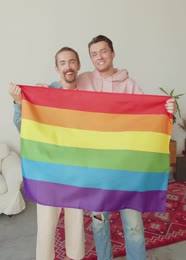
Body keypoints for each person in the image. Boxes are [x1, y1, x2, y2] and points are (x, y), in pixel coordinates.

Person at [77, 34, 176, 260]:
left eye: (103, 51)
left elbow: (147, 116)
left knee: (133, 227)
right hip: (97, 171)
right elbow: (63, 95)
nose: (99, 57)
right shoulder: (83, 81)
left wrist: (167, 109)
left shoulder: (130, 84)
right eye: (94, 54)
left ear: (112, 53)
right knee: (99, 223)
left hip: (127, 170)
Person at [9, 47, 85, 260]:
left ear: (78, 65)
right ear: (56, 68)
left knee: (75, 223)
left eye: (71, 62)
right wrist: (18, 103)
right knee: (46, 226)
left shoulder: (88, 95)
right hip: (49, 172)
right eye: (62, 63)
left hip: (76, 172)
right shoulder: (45, 93)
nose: (67, 67)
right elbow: (23, 127)